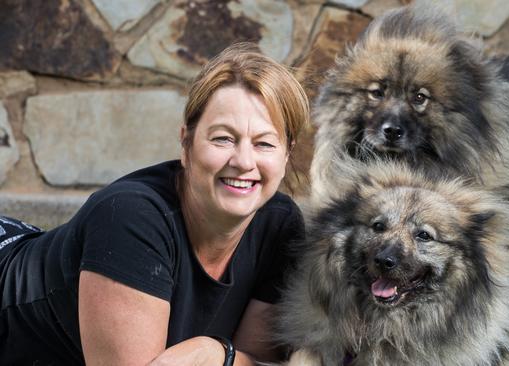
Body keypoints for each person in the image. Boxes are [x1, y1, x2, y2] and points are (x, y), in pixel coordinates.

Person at [0, 42, 309, 365]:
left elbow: (259, 359)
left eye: (264, 143)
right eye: (223, 138)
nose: (244, 161)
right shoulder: (132, 218)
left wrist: (216, 353)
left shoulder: (279, 226)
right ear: (186, 143)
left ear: (287, 154)